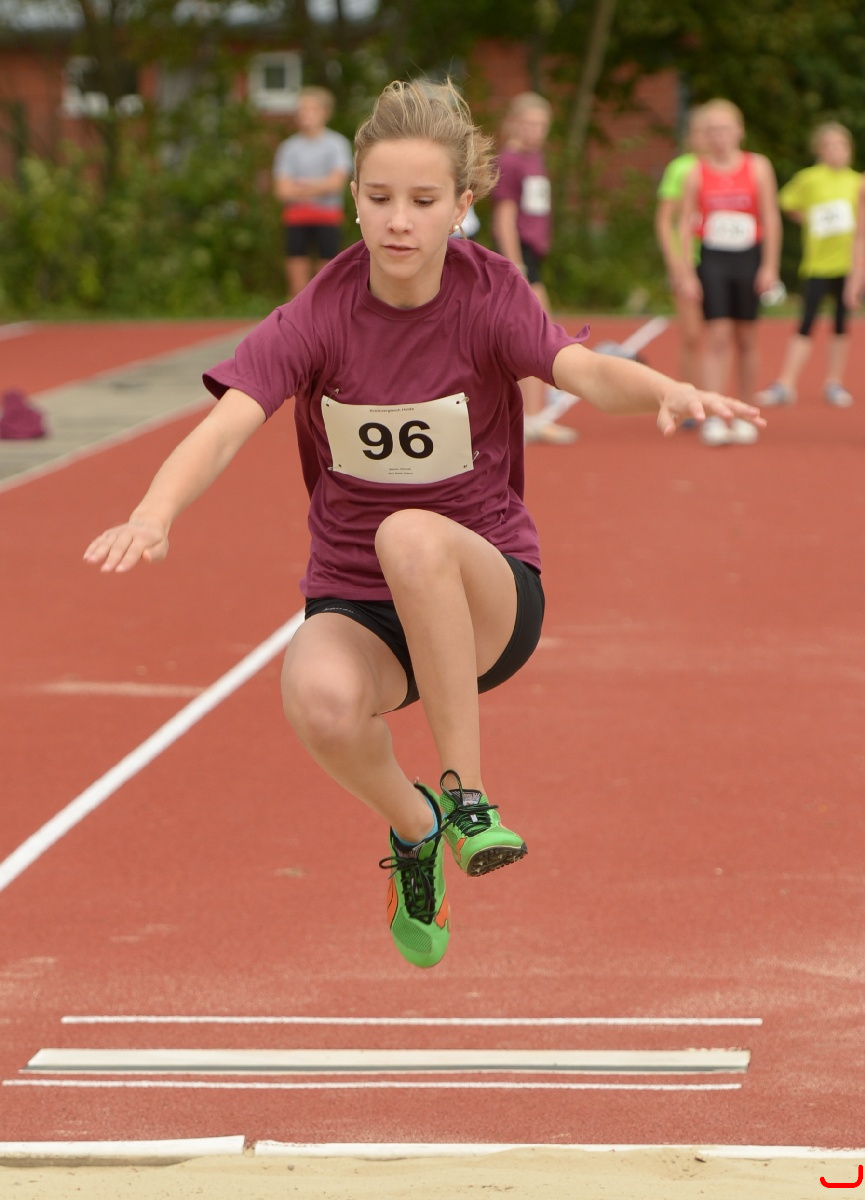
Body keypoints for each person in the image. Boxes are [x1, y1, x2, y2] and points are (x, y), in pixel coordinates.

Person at [84, 80, 764, 971]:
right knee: (319, 704)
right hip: (361, 602)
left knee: (409, 532)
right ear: (353, 199)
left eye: (421, 200)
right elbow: (225, 425)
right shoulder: (320, 312)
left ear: (461, 205)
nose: (398, 221)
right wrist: (153, 513)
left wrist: (664, 389)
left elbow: (584, 372)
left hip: (484, 596)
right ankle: (417, 828)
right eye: (378, 198)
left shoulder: (489, 293)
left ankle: (468, 796)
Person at [678, 99, 782, 445]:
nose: (718, 137)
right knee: (718, 335)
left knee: (747, 338)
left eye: (724, 129)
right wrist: (686, 273)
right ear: (704, 135)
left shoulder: (758, 167)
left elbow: (770, 217)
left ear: (739, 131)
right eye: (711, 130)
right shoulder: (696, 172)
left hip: (748, 259)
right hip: (713, 260)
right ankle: (714, 415)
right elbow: (684, 224)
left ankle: (744, 412)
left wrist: (770, 266)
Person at [756, 123, 862, 409]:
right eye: (829, 145)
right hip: (817, 265)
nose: (836, 151)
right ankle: (786, 383)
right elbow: (785, 202)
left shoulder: (857, 182)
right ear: (819, 150)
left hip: (847, 265)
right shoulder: (809, 179)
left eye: (841, 145)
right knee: (806, 323)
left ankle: (834, 383)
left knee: (841, 323)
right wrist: (807, 218)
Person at [492, 92, 577, 445]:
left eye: (542, 125)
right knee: (538, 329)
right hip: (520, 254)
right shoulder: (509, 161)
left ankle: (529, 415)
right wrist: (517, 265)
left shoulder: (535, 158)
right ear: (512, 123)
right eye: (529, 124)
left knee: (530, 332)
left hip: (535, 253)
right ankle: (530, 417)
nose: (536, 131)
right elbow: (504, 217)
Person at [273, 86, 354, 300]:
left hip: (328, 217)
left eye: (312, 109)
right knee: (296, 282)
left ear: (325, 112)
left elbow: (336, 184)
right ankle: (296, 316)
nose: (306, 115)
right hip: (296, 218)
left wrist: (300, 187)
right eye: (302, 110)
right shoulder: (288, 148)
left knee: (326, 279)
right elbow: (282, 190)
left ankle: (324, 317)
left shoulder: (337, 144)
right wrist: (319, 187)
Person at [655, 106, 708, 386]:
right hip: (689, 260)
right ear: (690, 136)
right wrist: (675, 261)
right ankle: (692, 392)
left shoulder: (728, 168)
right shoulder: (680, 168)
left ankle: (714, 392)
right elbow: (665, 220)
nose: (706, 137)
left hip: (721, 258)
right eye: (699, 132)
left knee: (719, 332)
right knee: (692, 334)